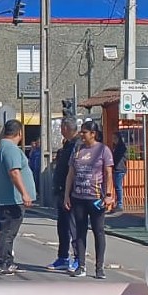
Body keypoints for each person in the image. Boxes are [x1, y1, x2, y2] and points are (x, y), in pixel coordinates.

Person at [64, 119, 115, 279]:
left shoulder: (103, 150)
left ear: (93, 134)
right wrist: (67, 195)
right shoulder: (77, 149)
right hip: (78, 197)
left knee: (98, 231)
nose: (82, 134)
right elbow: (70, 173)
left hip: (96, 198)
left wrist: (108, 195)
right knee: (79, 232)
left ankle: (99, 267)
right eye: (81, 131)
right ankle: (81, 265)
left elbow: (108, 173)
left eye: (85, 132)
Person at [0, 119, 34, 275]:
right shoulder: (11, 149)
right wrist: (25, 193)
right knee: (8, 232)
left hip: (4, 197)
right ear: (19, 133)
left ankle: (6, 260)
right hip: (12, 198)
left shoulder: (1, 148)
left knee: (5, 231)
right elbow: (14, 172)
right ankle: (1, 262)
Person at [49, 118, 79, 271]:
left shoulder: (77, 145)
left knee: (73, 227)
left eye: (62, 127)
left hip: (72, 192)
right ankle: (63, 257)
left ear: (66, 128)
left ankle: (78, 258)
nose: (60, 129)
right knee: (62, 226)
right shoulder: (67, 144)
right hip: (61, 191)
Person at [111, 132, 128, 213]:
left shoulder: (120, 147)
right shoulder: (117, 146)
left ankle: (120, 204)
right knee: (117, 186)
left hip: (119, 168)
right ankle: (118, 203)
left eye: (114, 138)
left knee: (118, 187)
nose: (113, 140)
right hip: (118, 168)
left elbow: (118, 157)